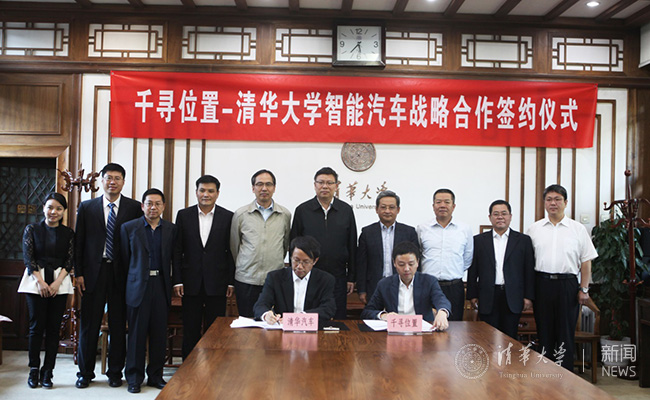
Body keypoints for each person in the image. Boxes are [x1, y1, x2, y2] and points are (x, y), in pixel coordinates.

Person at [75, 163, 143, 389]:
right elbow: (79, 242)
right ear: (101, 181)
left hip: (122, 273)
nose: (112, 182)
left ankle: (115, 372)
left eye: (117, 178)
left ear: (123, 182)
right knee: (89, 324)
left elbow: (137, 243)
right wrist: (79, 273)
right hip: (93, 273)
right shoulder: (87, 207)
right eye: (108, 177)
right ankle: (85, 373)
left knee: (118, 324)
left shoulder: (133, 208)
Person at [527, 184, 598, 370]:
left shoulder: (577, 229)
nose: (553, 203)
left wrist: (584, 289)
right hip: (541, 284)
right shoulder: (534, 229)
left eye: (557, 199)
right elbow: (527, 263)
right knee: (544, 331)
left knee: (565, 333)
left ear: (565, 203)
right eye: (549, 199)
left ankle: (565, 377)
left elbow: (586, 262)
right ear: (544, 203)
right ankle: (545, 374)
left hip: (568, 285)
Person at [121, 188, 177, 393]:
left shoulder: (171, 229)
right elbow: (124, 261)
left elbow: (174, 259)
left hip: (161, 285)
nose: (153, 207)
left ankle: (155, 376)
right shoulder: (129, 228)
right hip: (137, 287)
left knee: (159, 334)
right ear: (142, 206)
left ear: (163, 206)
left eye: (157, 204)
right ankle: (134, 378)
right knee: (136, 334)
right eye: (149, 203)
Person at [173, 175, 234, 360]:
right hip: (190, 283)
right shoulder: (184, 215)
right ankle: (188, 367)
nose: (206, 194)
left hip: (217, 283)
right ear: (196, 192)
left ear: (217, 193)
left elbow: (231, 251)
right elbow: (177, 250)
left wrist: (230, 282)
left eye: (210, 191)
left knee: (215, 329)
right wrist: (177, 280)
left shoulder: (228, 217)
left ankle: (213, 367)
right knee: (190, 328)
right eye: (202, 190)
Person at [17, 192, 74, 389]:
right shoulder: (32, 229)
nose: (53, 212)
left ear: (64, 211)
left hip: (60, 282)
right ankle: (33, 369)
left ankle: (48, 371)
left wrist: (57, 282)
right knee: (36, 327)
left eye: (58, 208)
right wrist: (41, 282)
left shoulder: (68, 233)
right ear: (43, 208)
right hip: (35, 281)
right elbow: (28, 257)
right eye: (50, 207)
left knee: (53, 329)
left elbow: (69, 260)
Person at [290, 167, 357, 319]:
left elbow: (352, 244)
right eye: (321, 182)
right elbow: (293, 244)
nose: (325, 186)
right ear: (315, 185)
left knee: (337, 317)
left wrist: (351, 277)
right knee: (311, 316)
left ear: (336, 186)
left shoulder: (345, 210)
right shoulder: (303, 210)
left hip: (338, 275)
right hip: (309, 274)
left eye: (329, 183)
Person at [466, 200, 535, 339]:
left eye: (504, 213)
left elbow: (529, 270)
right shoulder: (479, 240)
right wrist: (472, 295)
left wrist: (528, 297)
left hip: (513, 297)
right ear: (490, 217)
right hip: (487, 296)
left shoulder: (523, 240)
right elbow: (473, 270)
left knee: (510, 338)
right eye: (496, 214)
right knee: (487, 338)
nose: (500, 217)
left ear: (510, 216)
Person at [230, 169, 291, 317]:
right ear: (253, 188)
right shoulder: (241, 214)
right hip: (247, 279)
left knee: (273, 322)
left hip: (274, 279)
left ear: (274, 188)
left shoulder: (284, 215)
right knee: (247, 322)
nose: (264, 188)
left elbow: (285, 245)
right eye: (259, 184)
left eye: (268, 184)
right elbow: (234, 246)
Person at [361, 241, 451, 330]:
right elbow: (368, 311)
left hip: (422, 332)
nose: (406, 269)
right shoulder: (385, 284)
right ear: (394, 263)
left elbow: (441, 299)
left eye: (411, 264)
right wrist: (384, 315)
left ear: (417, 262)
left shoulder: (429, 281)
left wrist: (442, 312)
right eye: (401, 264)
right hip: (395, 332)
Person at [416, 188, 473, 321]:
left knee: (454, 327)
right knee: (426, 324)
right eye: (438, 202)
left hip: (454, 287)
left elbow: (467, 258)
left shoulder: (464, 229)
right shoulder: (422, 228)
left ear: (453, 206)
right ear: (433, 206)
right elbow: (418, 255)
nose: (442, 205)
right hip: (427, 286)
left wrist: (453, 271)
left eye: (447, 202)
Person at [253, 236, 336, 324]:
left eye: (306, 262)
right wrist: (266, 315)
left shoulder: (325, 280)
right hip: (282, 328)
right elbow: (260, 304)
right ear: (291, 257)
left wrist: (301, 317)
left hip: (311, 328)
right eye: (296, 260)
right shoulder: (275, 277)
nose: (299, 266)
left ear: (315, 261)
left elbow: (328, 309)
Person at [356, 190, 419, 304]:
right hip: (374, 286)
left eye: (391, 207)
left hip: (403, 285)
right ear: (376, 209)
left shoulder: (409, 232)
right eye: (383, 207)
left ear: (398, 210)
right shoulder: (367, 232)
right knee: (376, 314)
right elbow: (362, 263)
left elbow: (416, 263)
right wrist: (362, 290)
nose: (387, 211)